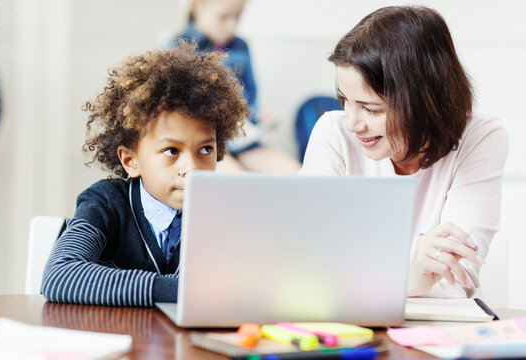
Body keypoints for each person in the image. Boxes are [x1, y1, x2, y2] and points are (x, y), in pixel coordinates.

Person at [300, 6, 508, 298]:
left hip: (433, 332)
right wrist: (411, 279)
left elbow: (457, 278)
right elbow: (308, 269)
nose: (352, 124)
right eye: (344, 100)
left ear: (422, 101)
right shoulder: (333, 133)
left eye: (370, 109)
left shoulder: (479, 137)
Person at [41, 42, 249, 306]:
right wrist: (178, 291)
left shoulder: (219, 212)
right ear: (130, 160)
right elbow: (61, 276)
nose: (192, 169)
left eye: (205, 149)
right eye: (171, 151)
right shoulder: (106, 203)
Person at [166, 0, 300, 173]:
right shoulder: (177, 44)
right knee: (237, 181)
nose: (232, 26)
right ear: (197, 6)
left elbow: (250, 97)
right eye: (223, 17)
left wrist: (258, 114)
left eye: (238, 17)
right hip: (205, 141)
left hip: (243, 138)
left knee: (295, 172)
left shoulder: (241, 47)